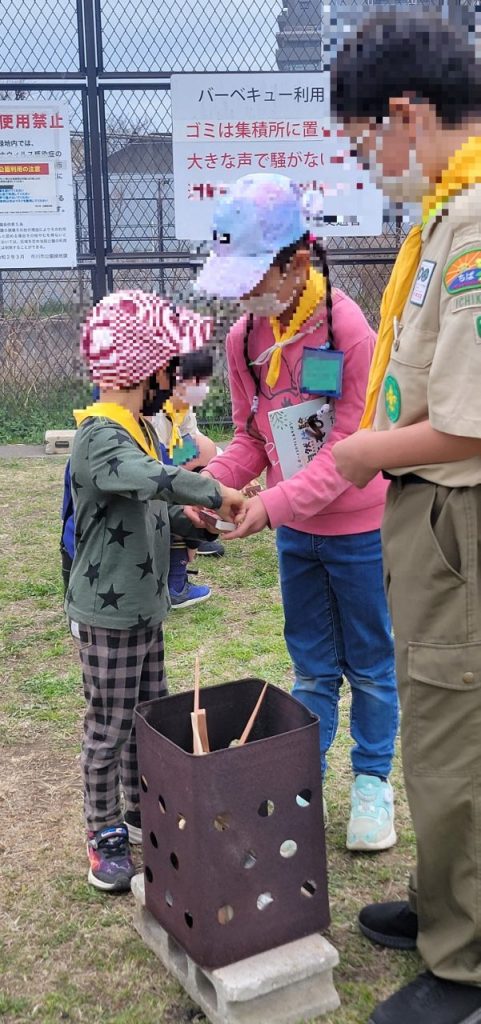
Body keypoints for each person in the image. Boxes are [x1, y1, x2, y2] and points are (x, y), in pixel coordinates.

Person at [330, 12, 481, 1024]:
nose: (363, 162)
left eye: (359, 141)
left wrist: (356, 453)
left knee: (454, 732)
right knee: (441, 721)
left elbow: (471, 430)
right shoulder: (445, 207)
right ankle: (441, 908)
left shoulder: (473, 222)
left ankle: (465, 966)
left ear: (404, 113)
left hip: (455, 511)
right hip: (427, 514)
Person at [193, 172, 398, 851]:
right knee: (310, 668)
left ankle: (371, 784)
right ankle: (297, 780)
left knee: (369, 665)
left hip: (361, 533)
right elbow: (252, 436)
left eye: (253, 277)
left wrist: (272, 506)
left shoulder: (348, 332)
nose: (245, 296)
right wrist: (210, 488)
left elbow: (347, 449)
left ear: (297, 264)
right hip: (296, 536)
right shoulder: (242, 341)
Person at [65, 289, 244, 892]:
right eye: (169, 365)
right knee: (110, 726)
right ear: (148, 369)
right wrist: (212, 493)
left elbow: (150, 499)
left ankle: (145, 809)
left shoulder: (139, 426)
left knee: (150, 716)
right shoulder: (99, 436)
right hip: (108, 618)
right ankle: (103, 830)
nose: (175, 376)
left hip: (145, 607)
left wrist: (187, 518)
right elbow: (147, 478)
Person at [150, 347, 225, 609]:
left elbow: (193, 439)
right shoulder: (153, 409)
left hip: (165, 462)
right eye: (197, 380)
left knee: (208, 452)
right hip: (153, 474)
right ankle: (176, 581)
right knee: (187, 486)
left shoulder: (182, 405)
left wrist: (228, 471)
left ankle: (196, 539)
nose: (202, 388)